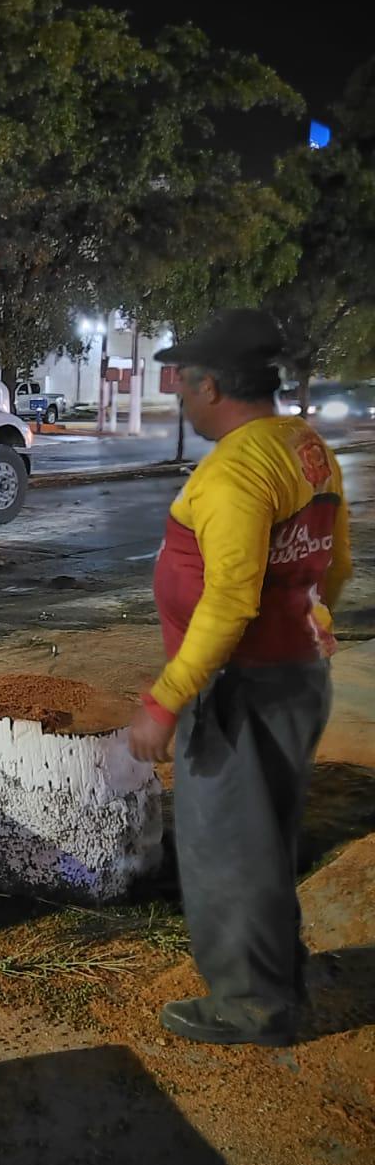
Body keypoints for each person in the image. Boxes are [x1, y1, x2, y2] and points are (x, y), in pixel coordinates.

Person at [127, 309, 352, 1046]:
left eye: (184, 384)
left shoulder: (235, 471)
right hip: (295, 675)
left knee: (227, 849)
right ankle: (276, 972)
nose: (180, 397)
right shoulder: (305, 448)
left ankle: (252, 1006)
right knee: (266, 835)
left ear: (212, 387)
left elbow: (227, 602)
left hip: (240, 688)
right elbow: (337, 562)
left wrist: (167, 699)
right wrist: (309, 621)